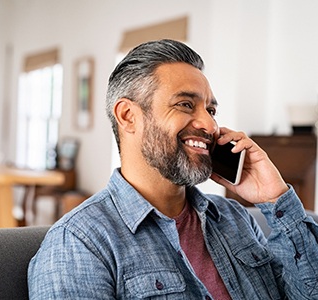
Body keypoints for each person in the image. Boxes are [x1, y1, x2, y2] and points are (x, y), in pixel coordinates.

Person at [28, 39, 318, 299]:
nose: (210, 125)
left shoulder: (236, 220)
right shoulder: (78, 244)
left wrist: (274, 198)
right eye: (185, 104)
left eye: (211, 110)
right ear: (128, 116)